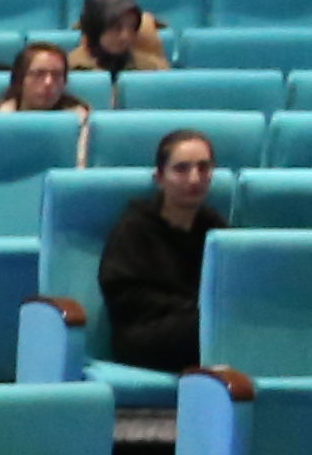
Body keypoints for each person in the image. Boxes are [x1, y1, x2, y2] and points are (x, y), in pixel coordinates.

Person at [94, 128, 222, 375]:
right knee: (209, 326)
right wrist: (194, 308)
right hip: (143, 333)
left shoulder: (213, 227)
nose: (194, 179)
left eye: (203, 168)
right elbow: (125, 298)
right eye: (181, 169)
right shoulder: (133, 227)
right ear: (159, 178)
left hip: (196, 324)